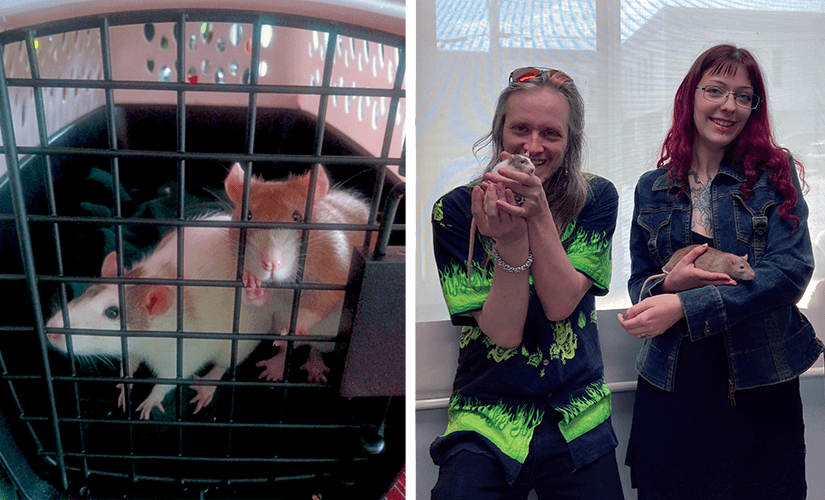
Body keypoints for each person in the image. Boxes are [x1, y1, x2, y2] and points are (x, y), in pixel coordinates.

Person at [618, 44, 825, 500]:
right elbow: (640, 283)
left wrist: (684, 305)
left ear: (754, 108)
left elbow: (790, 272)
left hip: (759, 385)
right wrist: (666, 286)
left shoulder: (775, 173)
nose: (728, 105)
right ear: (691, 95)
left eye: (744, 95)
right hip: (672, 386)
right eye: (716, 90)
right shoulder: (653, 187)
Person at [430, 67, 624, 499]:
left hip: (577, 413)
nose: (532, 146)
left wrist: (535, 215)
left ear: (570, 141)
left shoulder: (597, 199)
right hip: (486, 416)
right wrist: (511, 241)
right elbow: (503, 332)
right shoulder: (457, 211)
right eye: (520, 128)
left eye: (550, 134)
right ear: (499, 131)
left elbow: (559, 305)